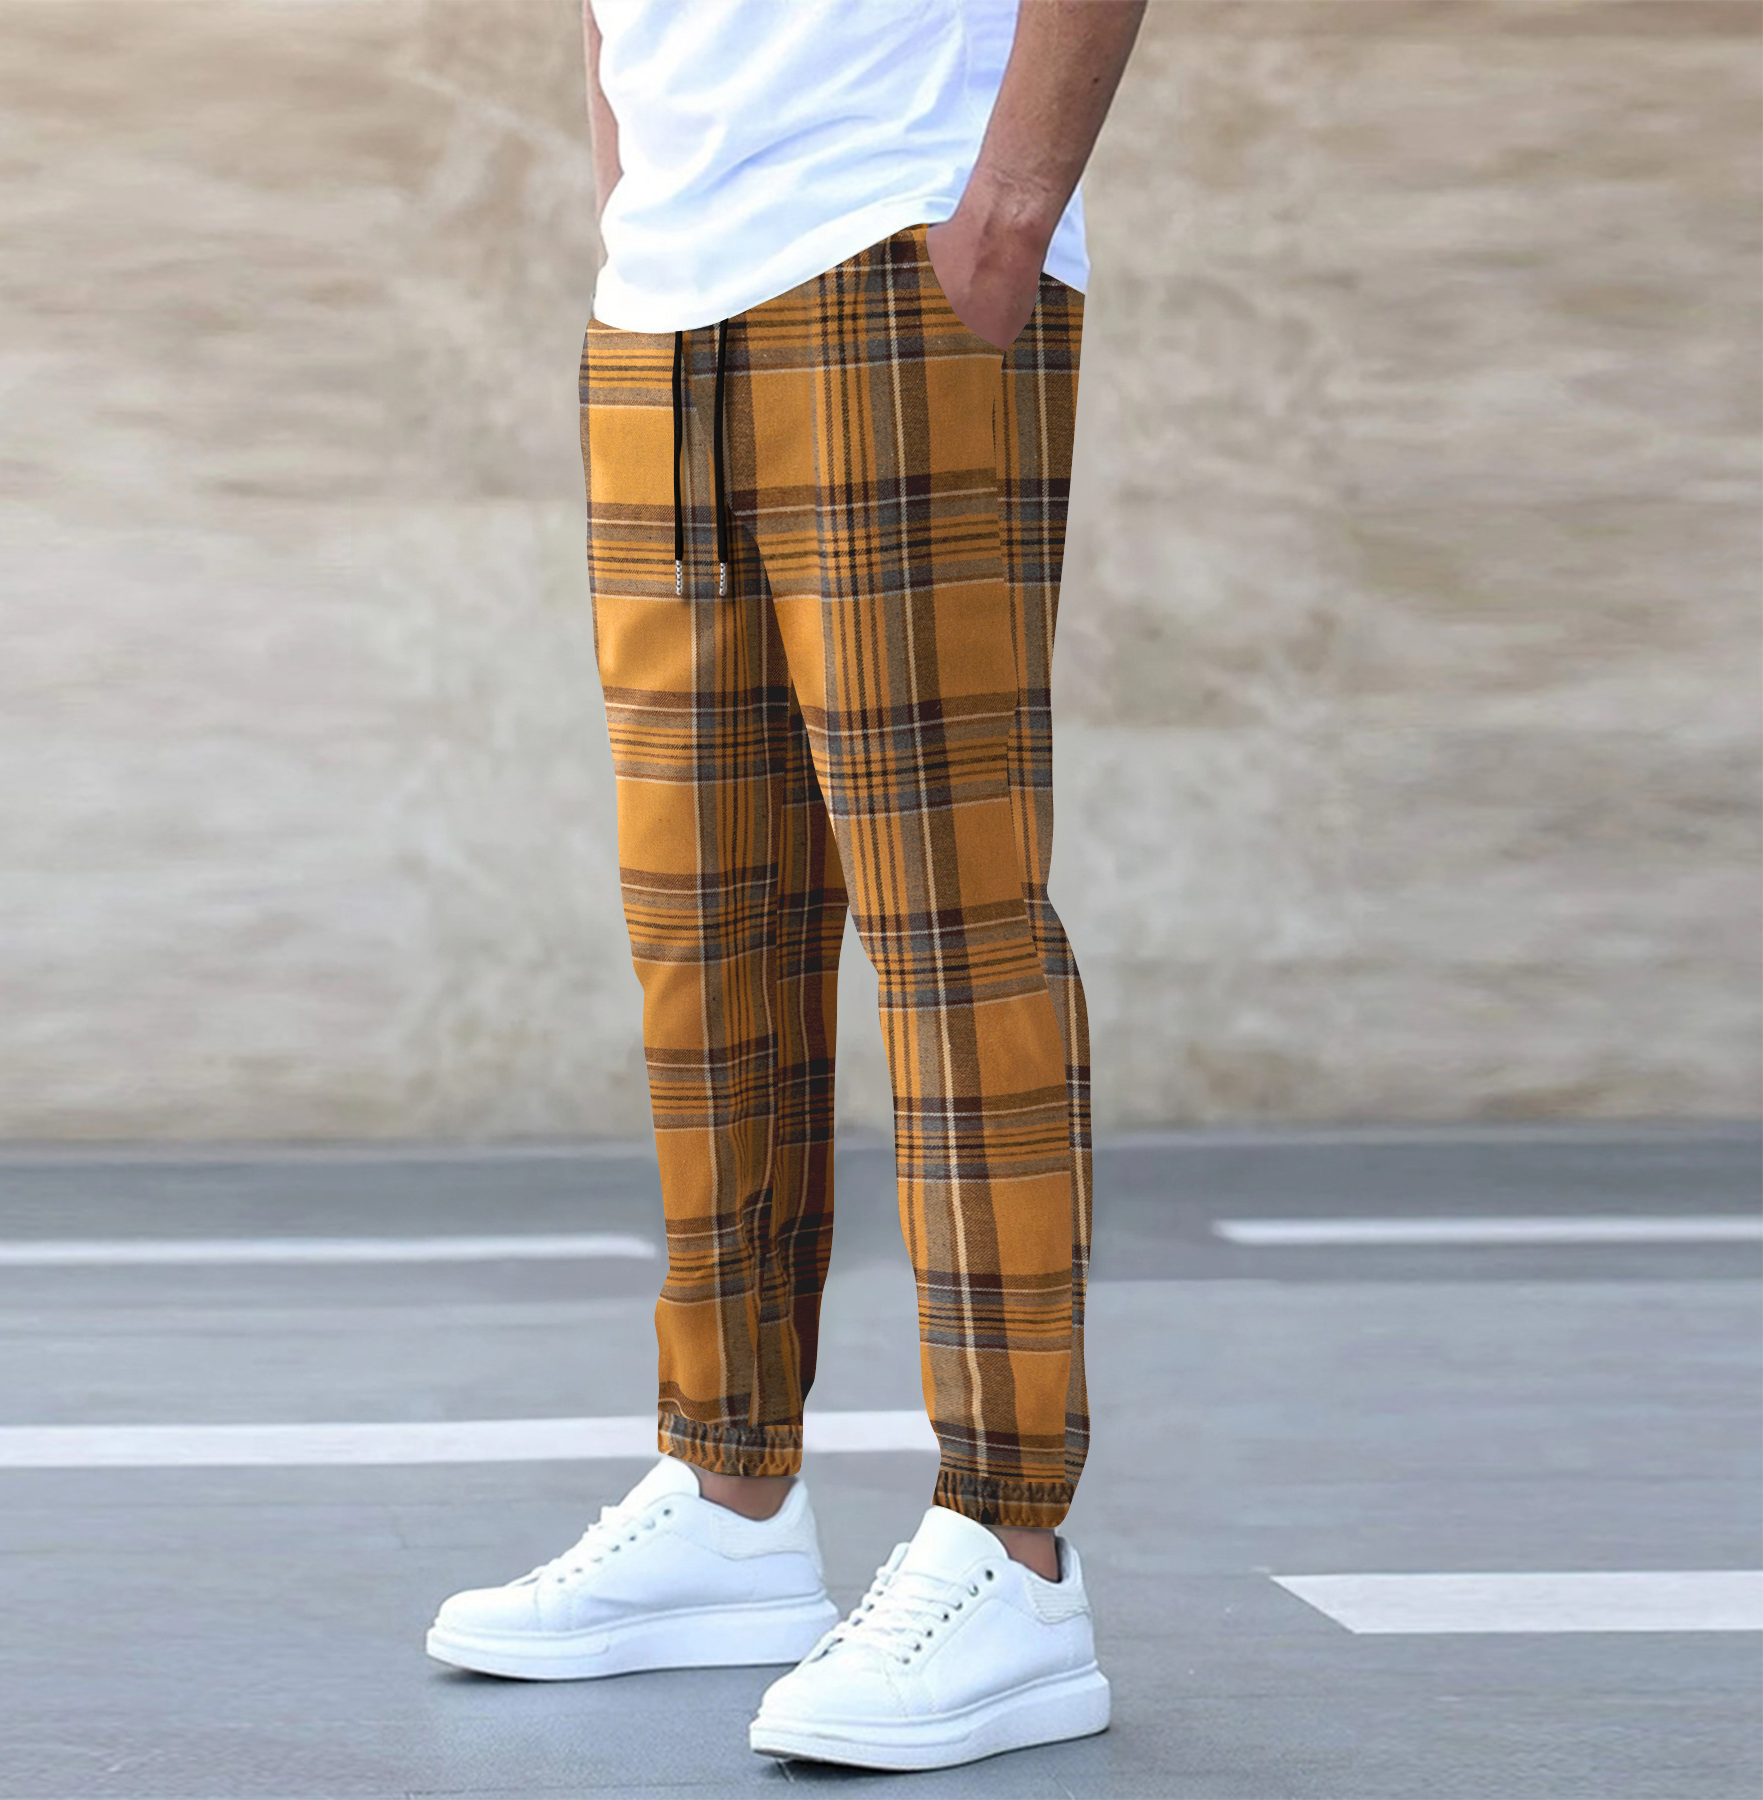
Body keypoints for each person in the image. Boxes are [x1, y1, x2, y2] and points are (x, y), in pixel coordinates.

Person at [426, 0, 1146, 1772]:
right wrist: (638, 213)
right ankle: (728, 1496)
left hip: (898, 260)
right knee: (705, 933)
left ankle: (1013, 1546)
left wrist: (1005, 220)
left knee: (949, 921)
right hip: (663, 310)